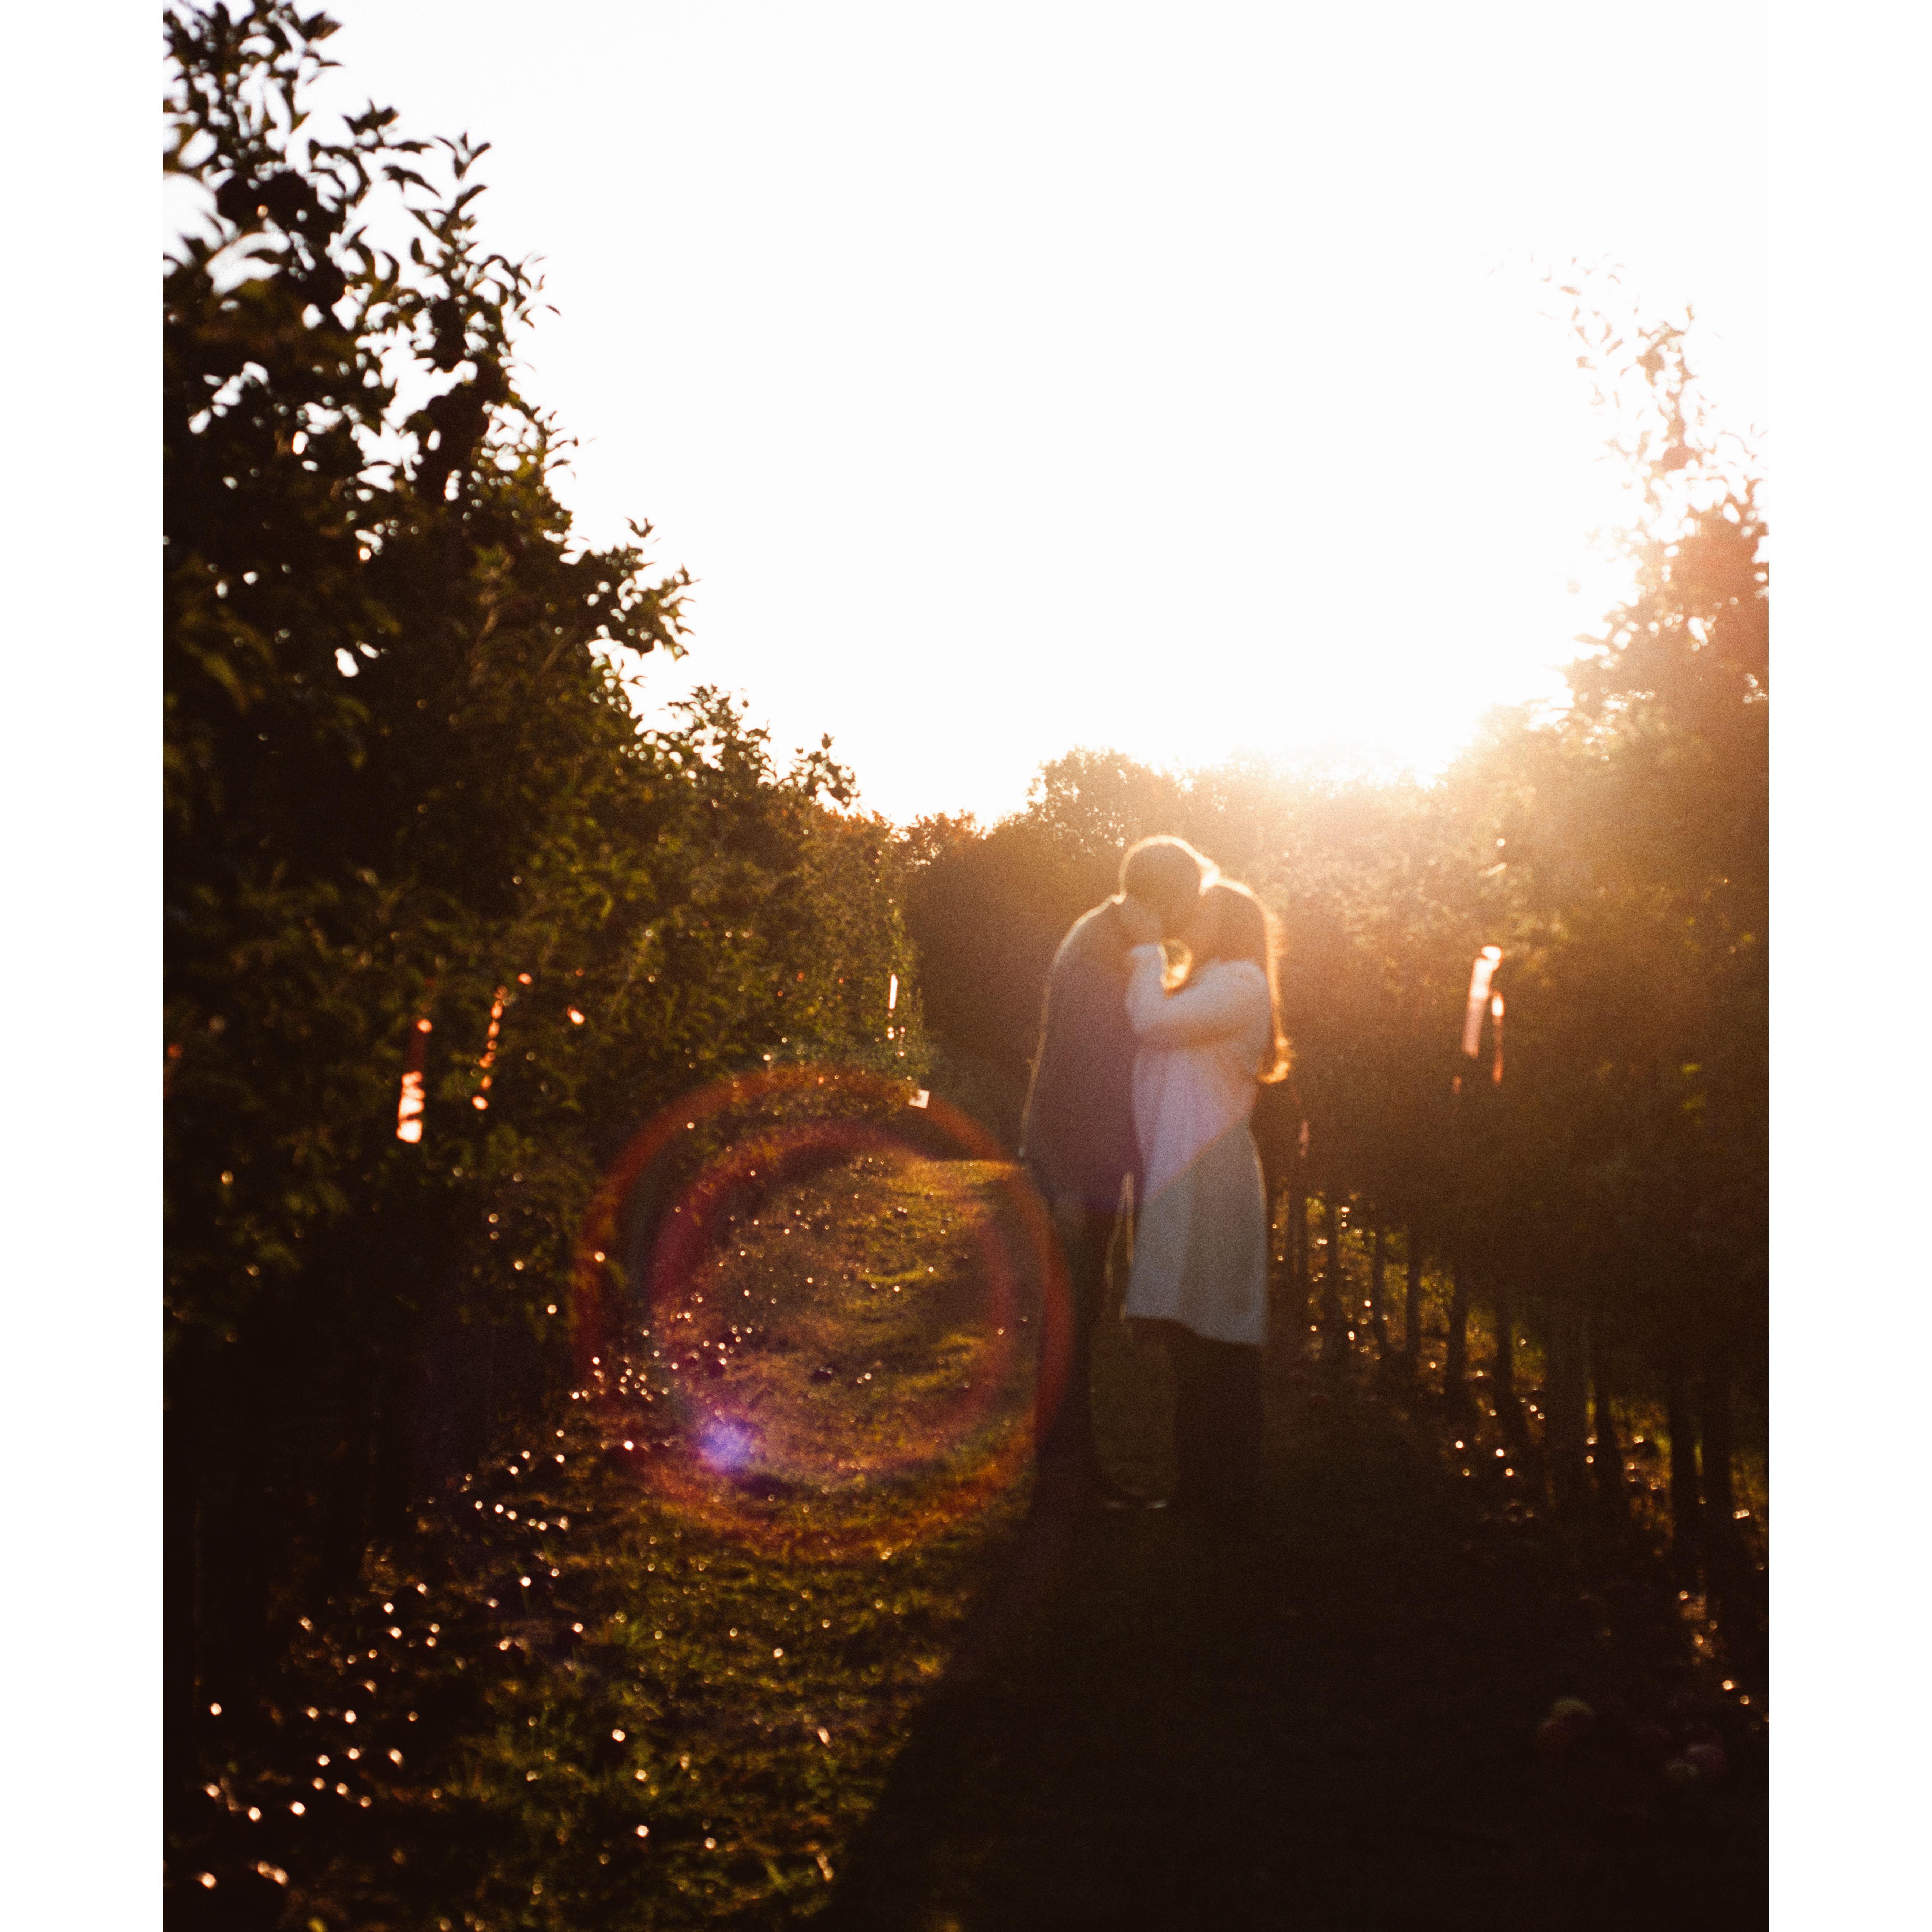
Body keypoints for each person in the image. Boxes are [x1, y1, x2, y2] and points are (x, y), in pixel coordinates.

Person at [1018, 835, 1211, 1509]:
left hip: (1086, 1156)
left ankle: (1065, 1466)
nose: (1193, 912)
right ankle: (1063, 1472)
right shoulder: (1101, 954)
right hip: (1078, 1159)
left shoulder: (1107, 937)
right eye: (1188, 898)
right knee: (1073, 1313)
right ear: (1166, 896)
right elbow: (1085, 1072)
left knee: (1081, 1308)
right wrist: (1074, 1185)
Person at [1122, 878, 1290, 1524]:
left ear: (1231, 925)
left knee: (1219, 1338)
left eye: (1206, 909)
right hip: (1191, 1174)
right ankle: (1198, 1491)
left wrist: (1145, 954)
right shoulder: (1212, 982)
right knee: (1194, 1339)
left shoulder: (1241, 983)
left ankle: (1232, 1493)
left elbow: (1152, 1022)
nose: (1192, 914)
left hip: (1214, 1182)